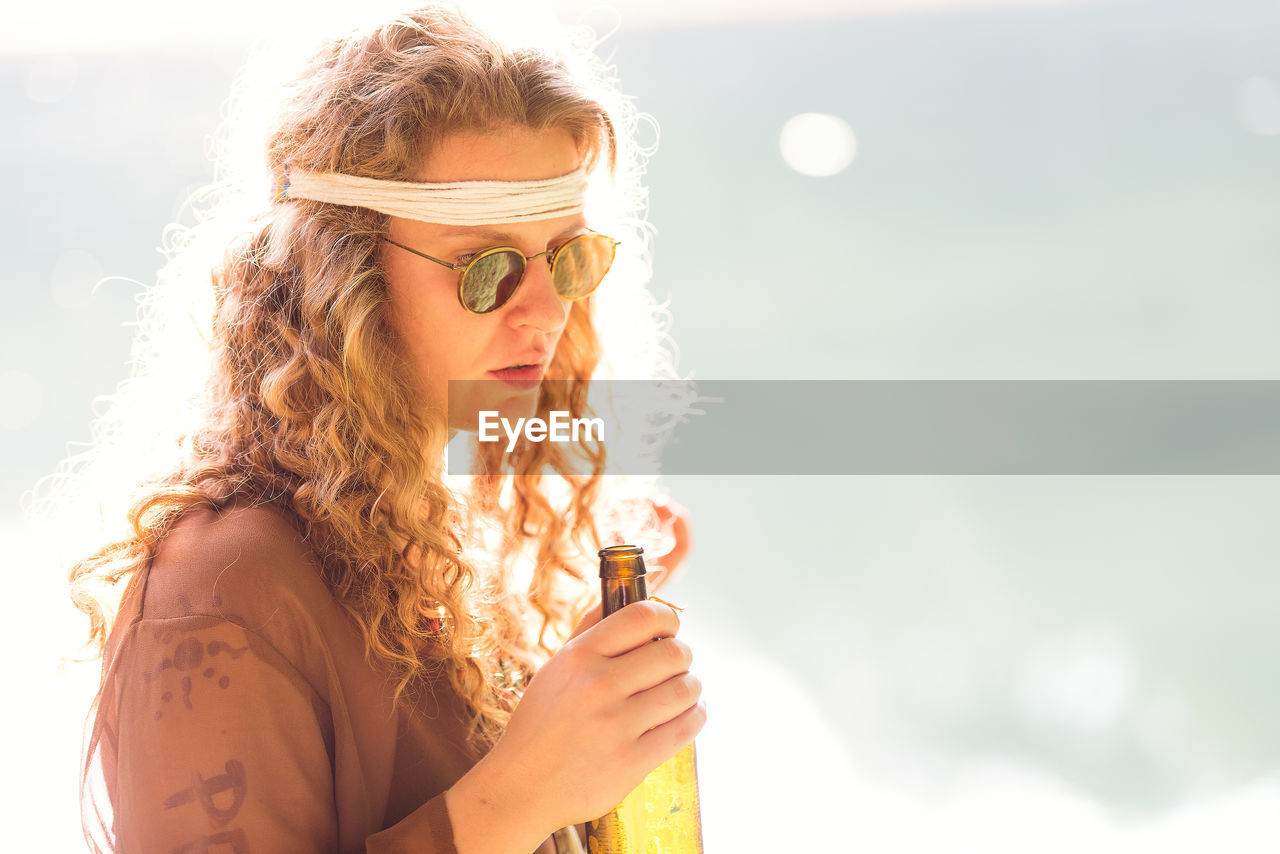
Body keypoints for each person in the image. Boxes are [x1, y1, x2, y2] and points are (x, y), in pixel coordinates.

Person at [65, 4, 703, 852]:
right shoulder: (222, 590)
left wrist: (586, 745)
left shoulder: (461, 535)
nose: (548, 313)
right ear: (347, 283)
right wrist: (520, 795)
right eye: (488, 269)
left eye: (570, 258)